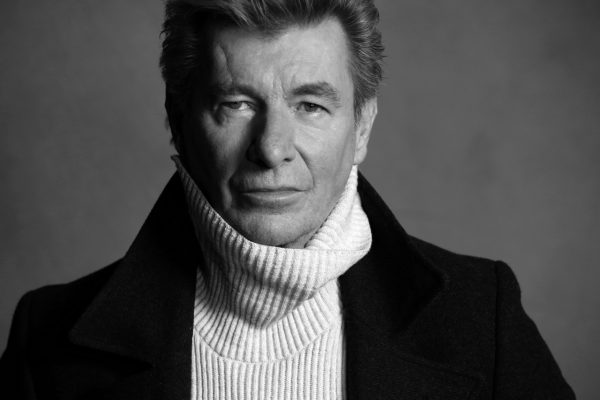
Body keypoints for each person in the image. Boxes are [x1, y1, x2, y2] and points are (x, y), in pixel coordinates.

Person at [0, 0, 575, 399]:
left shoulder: (482, 320)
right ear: (178, 121)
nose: (272, 148)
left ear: (362, 127)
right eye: (237, 104)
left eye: (311, 106)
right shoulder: (46, 339)